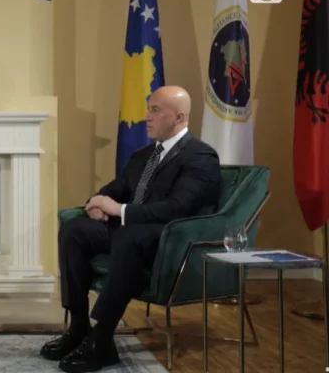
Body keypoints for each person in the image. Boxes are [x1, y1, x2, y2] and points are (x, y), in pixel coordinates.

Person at [40, 85, 221, 372]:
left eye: (155, 110)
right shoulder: (143, 155)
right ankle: (79, 327)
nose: (146, 117)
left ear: (178, 117)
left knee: (129, 235)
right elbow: (115, 189)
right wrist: (96, 204)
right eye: (149, 109)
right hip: (131, 233)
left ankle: (102, 338)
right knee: (75, 230)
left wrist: (120, 210)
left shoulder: (200, 156)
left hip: (170, 240)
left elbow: (179, 208)